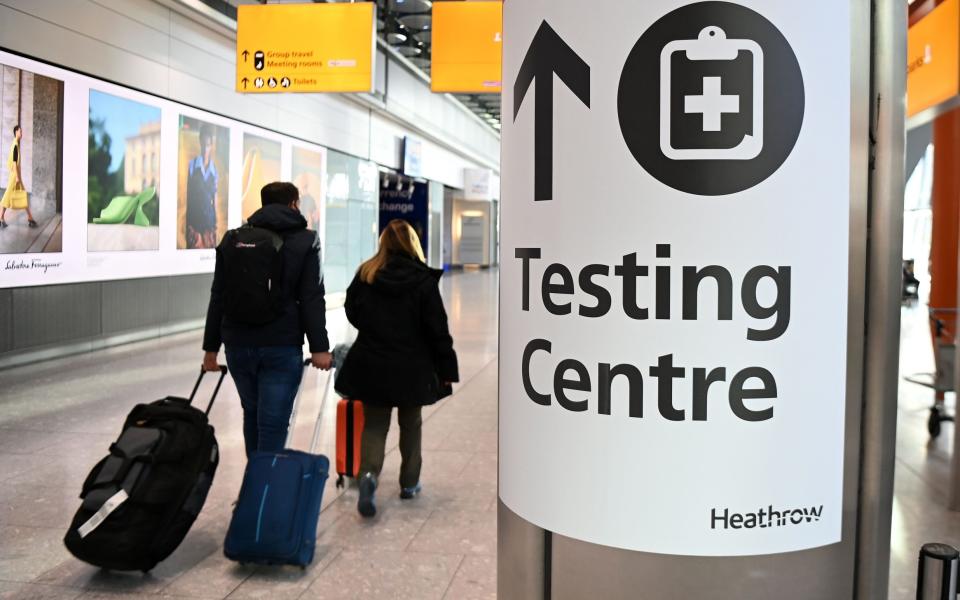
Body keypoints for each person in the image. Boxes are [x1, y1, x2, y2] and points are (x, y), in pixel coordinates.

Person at [336, 219, 459, 517]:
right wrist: (446, 368)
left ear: (383, 243)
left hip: (373, 360)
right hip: (412, 365)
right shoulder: (422, 281)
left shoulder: (366, 274)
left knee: (375, 424)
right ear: (412, 243)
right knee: (411, 423)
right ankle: (409, 482)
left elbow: (352, 311)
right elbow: (437, 329)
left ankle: (368, 476)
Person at [202, 181, 332, 458]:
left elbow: (218, 296)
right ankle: (263, 495)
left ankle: (254, 491)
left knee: (252, 413)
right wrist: (319, 348)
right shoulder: (307, 240)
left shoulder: (233, 239)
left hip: (238, 344)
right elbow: (311, 297)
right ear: (294, 204)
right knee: (272, 425)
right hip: (280, 345)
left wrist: (210, 349)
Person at [185, 124, 218, 249]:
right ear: (200, 143)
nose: (205, 149)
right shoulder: (192, 166)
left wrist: (215, 225)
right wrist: (188, 225)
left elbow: (215, 199)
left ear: (211, 146)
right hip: (195, 224)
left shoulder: (214, 170)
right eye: (204, 145)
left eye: (208, 145)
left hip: (209, 224)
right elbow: (188, 196)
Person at [0, 125, 38, 229]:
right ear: (16, 132)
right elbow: (14, 163)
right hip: (15, 177)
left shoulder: (15, 144)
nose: (21, 133)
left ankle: (29, 218)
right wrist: (17, 177)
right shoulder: (15, 146)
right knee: (7, 197)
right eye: (20, 131)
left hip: (16, 176)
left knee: (18, 196)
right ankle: (2, 218)